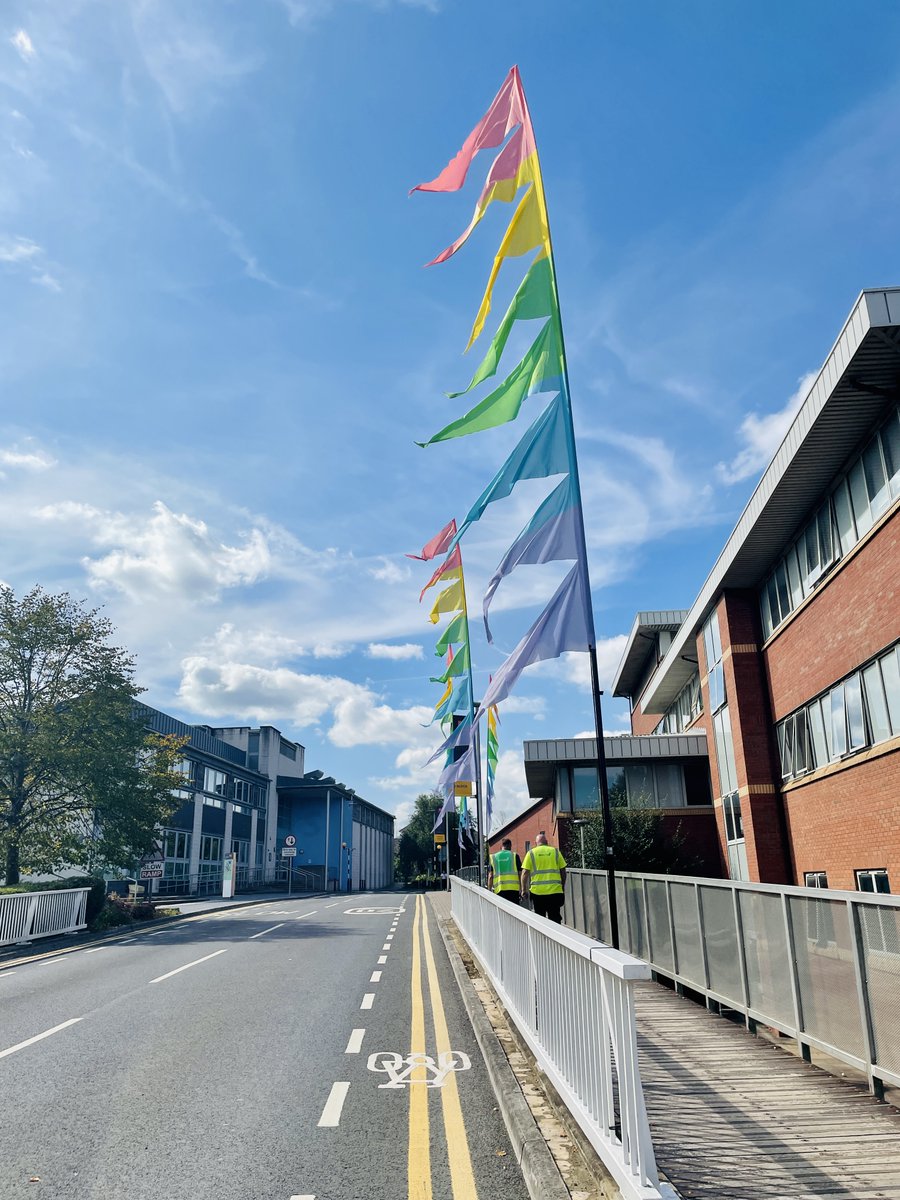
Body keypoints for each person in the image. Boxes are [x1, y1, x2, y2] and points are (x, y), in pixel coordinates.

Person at [521, 830, 566, 923]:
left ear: (535, 843)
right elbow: (563, 871)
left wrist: (523, 890)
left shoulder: (531, 853)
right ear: (547, 842)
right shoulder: (555, 852)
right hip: (555, 891)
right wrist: (562, 886)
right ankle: (555, 937)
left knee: (539, 919)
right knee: (555, 918)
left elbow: (525, 873)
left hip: (538, 893)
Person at [487, 838, 521, 904]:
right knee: (513, 912)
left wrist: (489, 890)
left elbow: (490, 876)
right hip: (514, 890)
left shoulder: (493, 857)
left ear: (501, 846)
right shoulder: (514, 856)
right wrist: (522, 888)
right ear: (510, 846)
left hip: (499, 890)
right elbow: (520, 874)